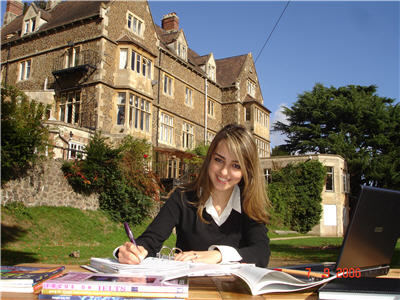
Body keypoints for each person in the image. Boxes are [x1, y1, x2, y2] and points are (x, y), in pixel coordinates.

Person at [115, 124, 270, 267]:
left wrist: (218, 255)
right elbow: (150, 241)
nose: (224, 172)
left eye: (236, 166)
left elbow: (261, 252)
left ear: (247, 171)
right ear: (210, 159)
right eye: (219, 160)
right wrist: (131, 253)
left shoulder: (248, 204)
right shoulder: (182, 198)